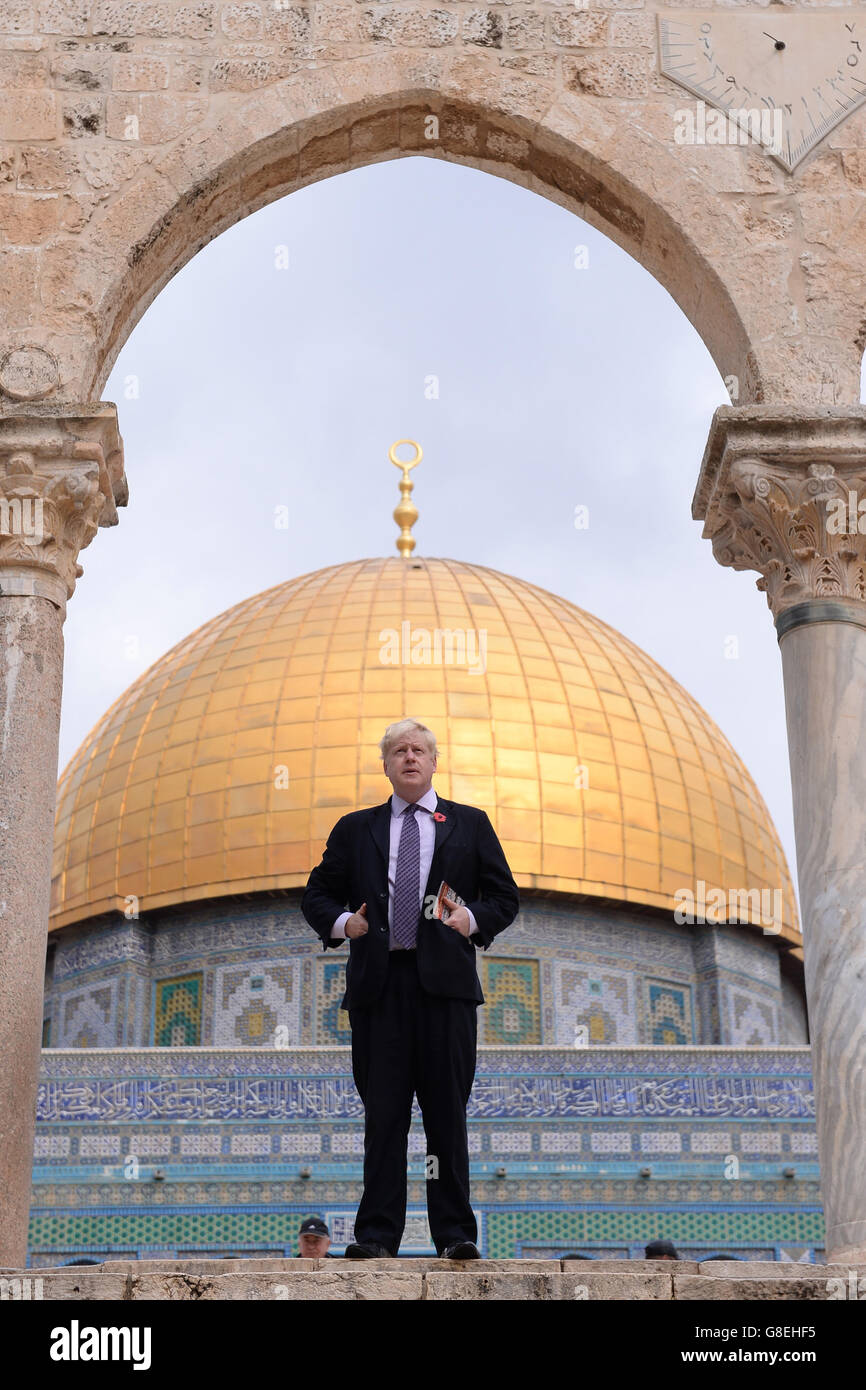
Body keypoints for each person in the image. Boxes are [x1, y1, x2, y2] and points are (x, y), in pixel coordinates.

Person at [302, 718, 519, 1260]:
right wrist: (343, 924)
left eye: (418, 749)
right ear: (386, 764)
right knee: (385, 1115)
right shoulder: (357, 829)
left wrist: (468, 920)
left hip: (444, 989)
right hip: (381, 988)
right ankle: (376, 1236)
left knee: (446, 1115)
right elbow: (317, 894)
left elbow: (504, 896)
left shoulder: (469, 824)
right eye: (398, 750)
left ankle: (454, 1235)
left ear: (434, 761)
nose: (409, 758)